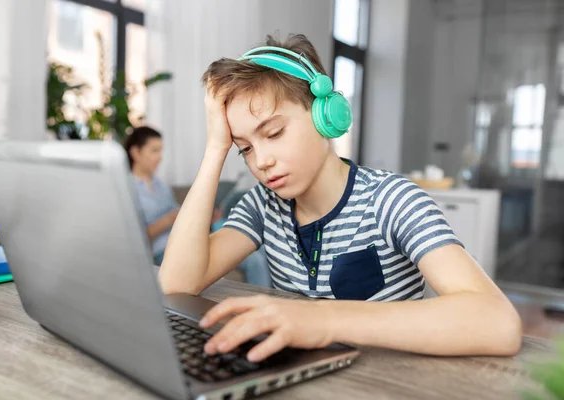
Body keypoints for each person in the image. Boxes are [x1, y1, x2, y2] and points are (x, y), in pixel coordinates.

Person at [158, 33, 522, 364]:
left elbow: (497, 321)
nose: (262, 161)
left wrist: (323, 320)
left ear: (326, 117)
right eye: (245, 149)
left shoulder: (392, 200)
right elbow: (176, 286)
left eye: (275, 132)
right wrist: (215, 149)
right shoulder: (262, 206)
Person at [124, 126, 179, 265]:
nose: (160, 157)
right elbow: (133, 238)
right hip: (160, 252)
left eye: (161, 151)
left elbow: (177, 212)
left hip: (181, 242)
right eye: (154, 151)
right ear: (136, 152)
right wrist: (169, 219)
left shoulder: (160, 184)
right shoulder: (127, 188)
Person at [211, 191, 272, 288]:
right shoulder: (215, 226)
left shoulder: (229, 219)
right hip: (227, 247)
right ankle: (262, 296)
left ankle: (273, 291)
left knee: (264, 250)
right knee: (255, 259)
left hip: (237, 241)